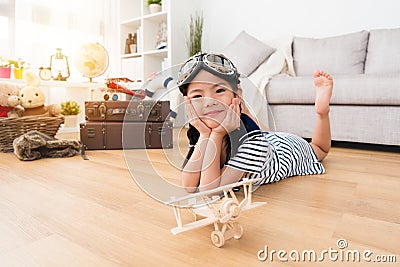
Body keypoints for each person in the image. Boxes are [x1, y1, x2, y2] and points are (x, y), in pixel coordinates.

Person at [178, 53, 333, 193]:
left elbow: (209, 191)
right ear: (188, 104)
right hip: (265, 137)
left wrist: (217, 135)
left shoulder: (253, 145)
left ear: (236, 94)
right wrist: (205, 135)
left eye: (219, 91)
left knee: (319, 149)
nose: (209, 102)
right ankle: (244, 111)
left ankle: (322, 113)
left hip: (285, 149)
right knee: (260, 130)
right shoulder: (201, 131)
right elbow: (189, 185)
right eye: (197, 96)